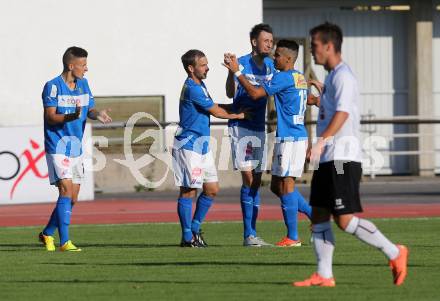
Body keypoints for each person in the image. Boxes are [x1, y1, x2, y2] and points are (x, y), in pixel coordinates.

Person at [293, 22, 408, 287]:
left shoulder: (344, 75)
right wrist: (320, 99)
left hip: (342, 159)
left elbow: (343, 114)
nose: (313, 52)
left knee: (344, 220)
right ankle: (324, 275)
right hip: (328, 157)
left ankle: (395, 252)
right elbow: (335, 107)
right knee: (319, 215)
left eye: (316, 46)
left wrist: (321, 141)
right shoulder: (333, 77)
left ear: (330, 46)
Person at [223, 40, 312, 247]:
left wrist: (237, 72)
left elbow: (255, 94)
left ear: (288, 59)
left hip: (290, 138)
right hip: (294, 136)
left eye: (278, 54)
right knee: (276, 185)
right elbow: (309, 100)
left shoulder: (283, 77)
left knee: (287, 186)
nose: (274, 57)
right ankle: (313, 215)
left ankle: (293, 237)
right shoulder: (299, 77)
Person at [38, 46, 112, 252]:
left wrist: (98, 114)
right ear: (71, 66)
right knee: (65, 190)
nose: (86, 69)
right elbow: (50, 117)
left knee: (73, 197)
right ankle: (65, 242)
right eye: (83, 65)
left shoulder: (83, 84)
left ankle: (46, 234)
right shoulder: (52, 86)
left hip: (76, 148)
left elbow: (89, 109)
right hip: (57, 145)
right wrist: (69, 117)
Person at [174, 49, 246, 247]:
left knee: (212, 189)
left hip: (202, 145)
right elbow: (215, 111)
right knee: (188, 191)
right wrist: (238, 115)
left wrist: (234, 108)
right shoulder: (192, 88)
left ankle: (195, 228)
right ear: (191, 68)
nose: (207, 68)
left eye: (206, 63)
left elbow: (213, 105)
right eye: (203, 65)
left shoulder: (200, 84)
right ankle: (188, 237)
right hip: (188, 145)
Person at [224, 23, 275, 247]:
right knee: (248, 179)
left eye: (271, 41)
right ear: (254, 41)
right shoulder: (241, 63)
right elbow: (229, 92)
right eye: (266, 40)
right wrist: (230, 71)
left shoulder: (272, 66)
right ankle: (249, 234)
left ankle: (252, 234)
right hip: (242, 127)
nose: (270, 44)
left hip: (259, 127)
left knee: (257, 182)